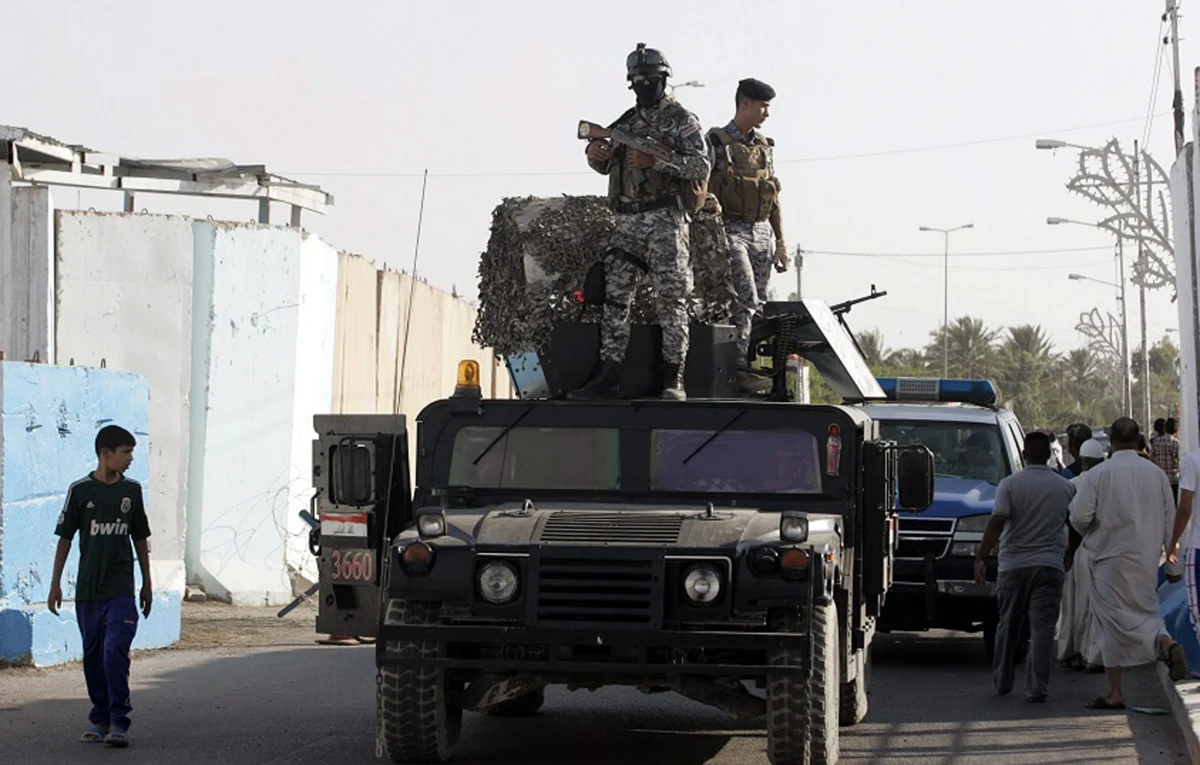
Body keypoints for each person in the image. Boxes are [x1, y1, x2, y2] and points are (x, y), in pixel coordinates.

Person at [569, 43, 712, 402]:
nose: (644, 84)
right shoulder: (626, 123)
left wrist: (657, 162)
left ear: (663, 79)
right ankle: (609, 373)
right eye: (638, 79)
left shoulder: (682, 120)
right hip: (628, 221)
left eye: (650, 78)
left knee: (672, 300)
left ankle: (673, 378)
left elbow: (701, 167)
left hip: (665, 219)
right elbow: (605, 164)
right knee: (615, 297)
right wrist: (594, 153)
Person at [1069, 417, 1187, 710]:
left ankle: (1115, 691)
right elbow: (1171, 520)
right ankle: (1166, 643)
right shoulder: (1156, 475)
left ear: (1110, 441)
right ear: (1138, 441)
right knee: (1144, 610)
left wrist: (1093, 534)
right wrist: (1172, 567)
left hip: (1108, 559)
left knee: (1111, 624)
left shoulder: (1100, 474)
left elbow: (1078, 516)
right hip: (1145, 558)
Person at [47, 425, 153, 747]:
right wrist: (55, 584)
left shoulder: (131, 491)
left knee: (114, 650)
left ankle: (119, 721)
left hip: (121, 588)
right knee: (93, 656)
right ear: (106, 454)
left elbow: (140, 539)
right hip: (88, 591)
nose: (131, 458)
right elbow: (65, 539)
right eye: (126, 452)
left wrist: (148, 584)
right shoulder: (80, 491)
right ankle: (101, 717)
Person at [973, 431, 1075, 702]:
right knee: (1042, 628)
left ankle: (1003, 681)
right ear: (1050, 455)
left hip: (1014, 565)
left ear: (1024, 454)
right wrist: (1070, 554)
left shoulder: (1010, 484)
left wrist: (981, 556)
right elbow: (1073, 524)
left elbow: (997, 521)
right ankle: (1037, 687)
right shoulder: (1064, 487)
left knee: (1008, 624)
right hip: (1050, 565)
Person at [705, 78, 788, 391]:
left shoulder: (764, 147)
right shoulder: (716, 142)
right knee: (746, 298)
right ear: (745, 104)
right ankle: (738, 368)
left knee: (760, 304)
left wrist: (781, 243)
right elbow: (700, 188)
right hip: (729, 230)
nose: (766, 112)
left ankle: (749, 364)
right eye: (762, 106)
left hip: (761, 232)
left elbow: (773, 195)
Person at [1057, 438, 1107, 672]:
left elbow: (1072, 520)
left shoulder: (1073, 483)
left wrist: (1068, 551)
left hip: (1076, 548)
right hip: (1101, 549)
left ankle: (1072, 651)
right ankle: (1093, 653)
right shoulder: (1107, 482)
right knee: (1094, 605)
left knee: (1073, 604)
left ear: (1082, 461)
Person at [1151, 417, 1181, 504]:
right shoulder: (1176, 443)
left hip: (1159, 479)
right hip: (1174, 480)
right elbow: (1179, 461)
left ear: (1165, 428)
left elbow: (1152, 459)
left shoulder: (1156, 442)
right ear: (1176, 430)